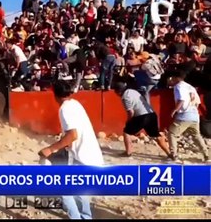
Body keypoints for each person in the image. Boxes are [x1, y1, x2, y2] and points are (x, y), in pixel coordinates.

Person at [39, 80, 104, 219]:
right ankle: (86, 217)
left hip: (83, 158)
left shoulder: (64, 108)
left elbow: (72, 135)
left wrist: (50, 149)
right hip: (90, 156)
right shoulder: (75, 104)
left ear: (55, 95)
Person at [114, 82, 171, 158]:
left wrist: (128, 121)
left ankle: (128, 152)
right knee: (156, 135)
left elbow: (131, 112)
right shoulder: (132, 91)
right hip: (152, 114)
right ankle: (170, 154)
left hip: (142, 116)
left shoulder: (125, 97)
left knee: (126, 132)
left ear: (118, 92)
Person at [167, 70, 211, 163]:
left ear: (176, 78)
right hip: (194, 115)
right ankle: (206, 155)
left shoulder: (178, 86)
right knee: (197, 135)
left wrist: (175, 110)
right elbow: (198, 102)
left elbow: (182, 99)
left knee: (172, 133)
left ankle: (174, 155)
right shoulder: (190, 87)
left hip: (184, 115)